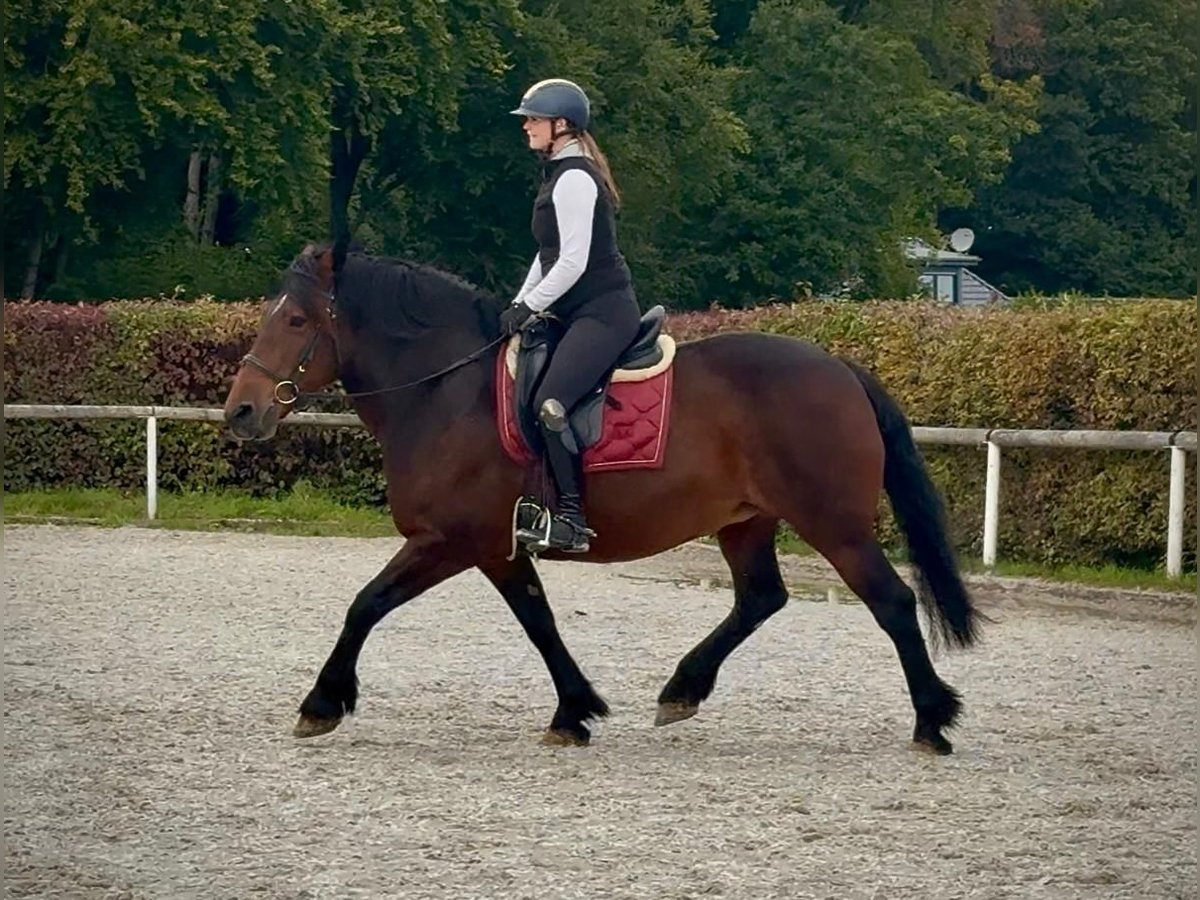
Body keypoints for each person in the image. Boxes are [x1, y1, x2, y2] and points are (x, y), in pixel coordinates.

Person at [499, 78, 641, 553]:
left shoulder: (576, 177)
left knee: (551, 403)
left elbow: (574, 261)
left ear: (561, 125)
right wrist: (519, 305)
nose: (527, 128)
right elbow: (546, 255)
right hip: (572, 311)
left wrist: (531, 305)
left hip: (603, 313)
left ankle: (572, 521)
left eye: (534, 120)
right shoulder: (557, 175)